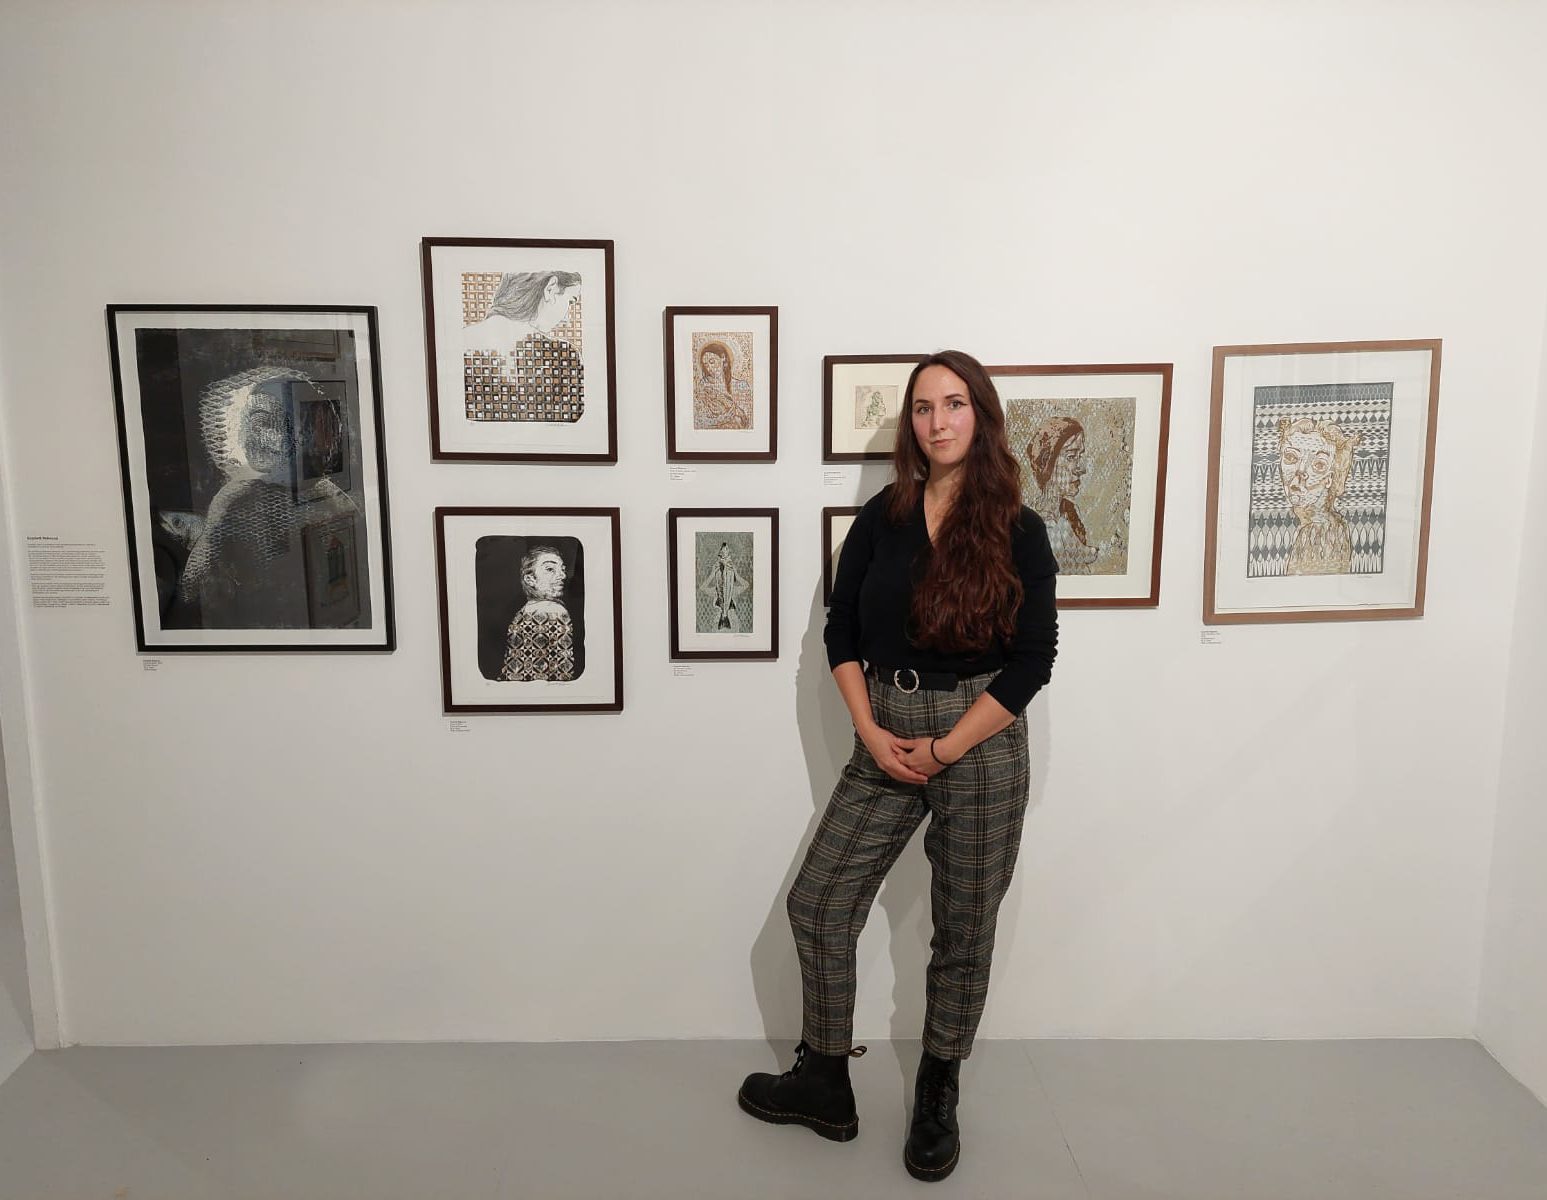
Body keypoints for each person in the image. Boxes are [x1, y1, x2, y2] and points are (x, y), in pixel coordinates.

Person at [738, 350, 1058, 1182]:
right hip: (883, 732)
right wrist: (869, 731)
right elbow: (840, 629)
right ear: (909, 423)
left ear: (980, 415)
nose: (937, 421)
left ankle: (937, 1091)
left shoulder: (1019, 529)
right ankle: (823, 1080)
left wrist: (948, 746)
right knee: (818, 903)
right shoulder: (882, 518)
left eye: (953, 404)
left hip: (979, 741)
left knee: (963, 927)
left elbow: (1033, 660)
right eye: (922, 407)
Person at [463, 270, 585, 423]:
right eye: (571, 301)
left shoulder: (459, 342)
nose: (566, 319)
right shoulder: (563, 357)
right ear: (550, 289)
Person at [1277, 416, 1359, 575]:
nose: (1299, 473)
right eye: (1291, 457)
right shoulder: (1309, 526)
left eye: (1318, 465)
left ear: (1330, 478)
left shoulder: (1322, 534)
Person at [1025, 415, 1100, 572]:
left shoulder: (1070, 512)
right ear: (1048, 463)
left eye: (1080, 456)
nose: (1081, 469)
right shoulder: (1033, 523)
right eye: (1071, 457)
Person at [500, 545, 576, 681]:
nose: (563, 576)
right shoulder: (554, 611)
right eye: (550, 569)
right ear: (530, 579)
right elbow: (564, 672)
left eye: (563, 570)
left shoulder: (524, 611)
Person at [693, 340, 751, 429]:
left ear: (723, 358)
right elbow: (699, 420)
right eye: (706, 365)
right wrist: (724, 418)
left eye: (712, 362)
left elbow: (747, 420)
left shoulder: (741, 385)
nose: (709, 368)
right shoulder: (703, 386)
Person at [699, 540, 749, 631]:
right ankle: (724, 617)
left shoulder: (733, 590)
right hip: (717, 626)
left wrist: (736, 574)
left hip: (733, 625)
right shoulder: (716, 592)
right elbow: (702, 587)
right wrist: (712, 574)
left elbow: (746, 585)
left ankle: (725, 617)